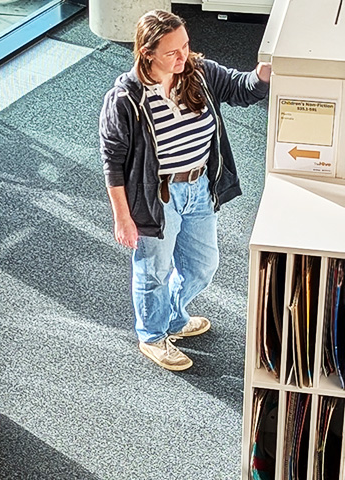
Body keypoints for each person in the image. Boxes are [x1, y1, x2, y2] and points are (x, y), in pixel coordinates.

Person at [100, 10, 271, 371]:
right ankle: (152, 335)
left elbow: (241, 89)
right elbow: (113, 162)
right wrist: (122, 218)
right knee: (154, 270)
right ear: (146, 53)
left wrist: (265, 70)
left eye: (186, 46)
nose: (183, 57)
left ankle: (174, 318)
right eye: (172, 53)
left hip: (199, 187)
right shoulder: (125, 99)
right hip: (157, 196)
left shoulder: (199, 72)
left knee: (203, 266)